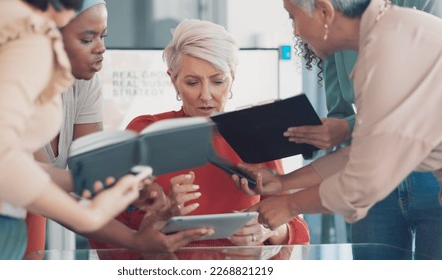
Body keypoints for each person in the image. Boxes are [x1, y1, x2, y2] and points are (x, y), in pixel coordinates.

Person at [233, 0, 442, 260]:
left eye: (292, 18)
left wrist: (289, 205)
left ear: (325, 11)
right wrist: (284, 183)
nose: (296, 32)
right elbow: (364, 153)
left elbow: (364, 182)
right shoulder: (389, 34)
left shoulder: (388, 52)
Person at [89, 19, 310, 257]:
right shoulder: (145, 132)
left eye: (217, 81)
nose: (206, 95)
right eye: (192, 82)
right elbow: (104, 232)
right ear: (173, 79)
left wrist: (271, 232)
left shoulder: (255, 132)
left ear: (232, 77)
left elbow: (297, 231)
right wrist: (158, 217)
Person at [0, 0, 144, 260]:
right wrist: (88, 215)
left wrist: (91, 182)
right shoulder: (30, 36)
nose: (100, 48)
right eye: (86, 38)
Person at [25, 0, 213, 256]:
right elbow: (39, 186)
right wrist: (133, 237)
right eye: (87, 39)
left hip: (32, 211)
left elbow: (92, 175)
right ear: (50, 36)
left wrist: (131, 192)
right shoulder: (16, 88)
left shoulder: (83, 84)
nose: (101, 49)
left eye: (103, 36)